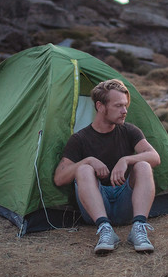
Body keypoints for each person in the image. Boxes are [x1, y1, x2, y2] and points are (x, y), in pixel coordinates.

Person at [54, 79, 161, 254]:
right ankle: (105, 230)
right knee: (83, 169)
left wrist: (126, 160)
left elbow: (155, 157)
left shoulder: (129, 131)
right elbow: (59, 178)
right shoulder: (80, 139)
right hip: (96, 208)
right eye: (118, 106)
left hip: (125, 204)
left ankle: (138, 228)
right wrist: (87, 160)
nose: (124, 111)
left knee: (143, 165)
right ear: (100, 106)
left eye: (125, 106)